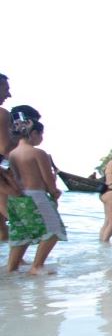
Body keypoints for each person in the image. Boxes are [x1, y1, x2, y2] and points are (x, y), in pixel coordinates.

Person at [6, 116, 67, 274]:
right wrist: (55, 192)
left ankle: (11, 269)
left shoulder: (12, 154)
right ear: (33, 133)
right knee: (53, 230)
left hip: (16, 198)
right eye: (41, 134)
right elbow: (48, 181)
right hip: (36, 195)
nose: (41, 138)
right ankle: (37, 266)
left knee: (21, 233)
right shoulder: (38, 153)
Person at [0, 73, 15, 241]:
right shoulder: (2, 114)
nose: (9, 95)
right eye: (6, 89)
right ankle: (17, 265)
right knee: (20, 221)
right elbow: (5, 149)